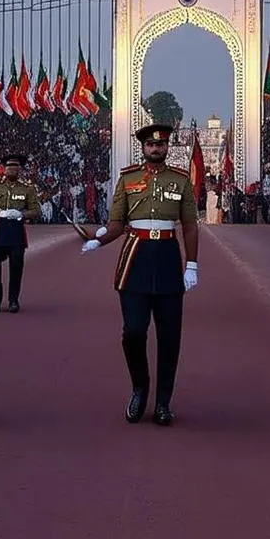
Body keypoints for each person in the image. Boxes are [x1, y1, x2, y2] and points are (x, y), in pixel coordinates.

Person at [81, 123, 199, 426]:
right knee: (133, 332)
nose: (155, 149)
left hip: (168, 260)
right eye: (150, 145)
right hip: (135, 259)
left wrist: (192, 264)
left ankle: (163, 403)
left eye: (160, 145)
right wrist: (99, 239)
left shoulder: (181, 180)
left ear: (167, 148)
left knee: (169, 337)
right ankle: (139, 387)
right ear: (143, 148)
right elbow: (117, 222)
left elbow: (189, 225)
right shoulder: (128, 178)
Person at [0, 153, 42, 312]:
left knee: (16, 265)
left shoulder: (27, 189)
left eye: (15, 166)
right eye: (9, 166)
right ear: (4, 169)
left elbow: (36, 211)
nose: (12, 169)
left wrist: (21, 214)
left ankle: (13, 300)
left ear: (20, 169)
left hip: (16, 230)